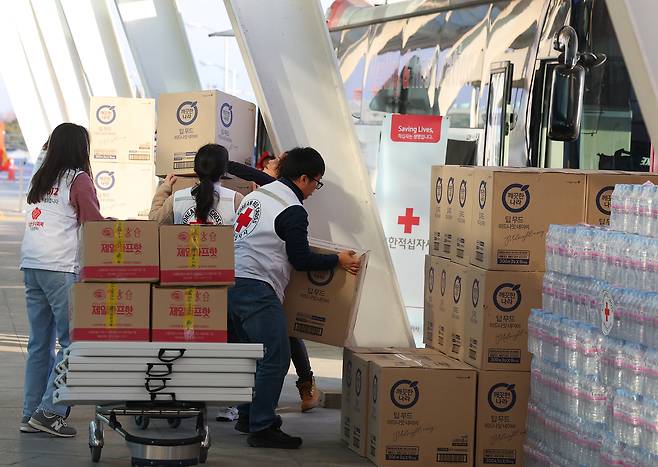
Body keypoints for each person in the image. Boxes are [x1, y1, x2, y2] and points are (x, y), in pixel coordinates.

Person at [229, 147, 361, 449]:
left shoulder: (257, 196)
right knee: (275, 358)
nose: (316, 189)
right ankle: (262, 427)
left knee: (252, 358)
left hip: (231, 283)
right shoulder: (292, 208)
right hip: (257, 288)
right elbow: (300, 259)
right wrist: (337, 260)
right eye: (317, 182)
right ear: (303, 178)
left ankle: (248, 416)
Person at [20, 123, 104, 437]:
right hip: (60, 269)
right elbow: (94, 225)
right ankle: (49, 412)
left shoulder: (41, 177)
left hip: (32, 265)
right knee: (75, 344)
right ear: (81, 148)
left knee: (40, 345)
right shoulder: (79, 180)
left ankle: (30, 415)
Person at [148, 143, 243, 225]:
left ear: (195, 169)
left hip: (184, 246)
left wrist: (165, 187)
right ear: (224, 171)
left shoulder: (177, 198)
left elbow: (154, 222)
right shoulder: (236, 200)